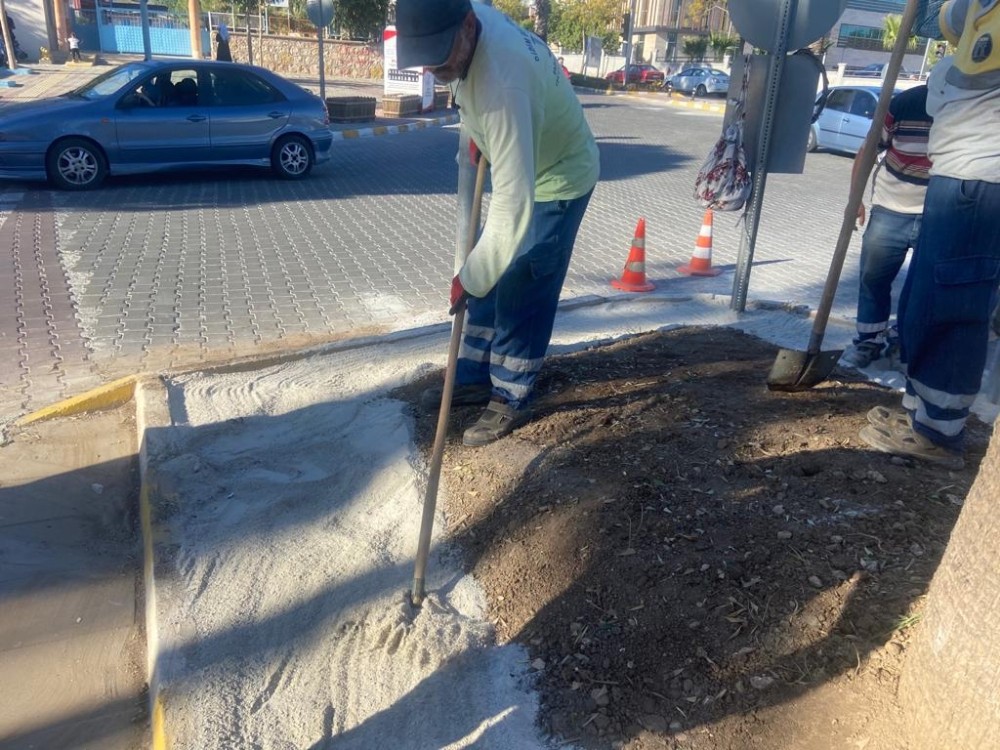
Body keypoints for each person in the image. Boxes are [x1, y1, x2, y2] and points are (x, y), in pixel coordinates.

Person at [396, 0, 600, 446]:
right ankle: (470, 377)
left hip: (560, 176)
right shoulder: (470, 29)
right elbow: (472, 100)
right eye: (425, 60)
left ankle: (510, 392)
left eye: (440, 56)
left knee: (522, 281)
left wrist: (470, 274)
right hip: (526, 156)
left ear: (467, 26)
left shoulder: (505, 85)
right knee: (489, 275)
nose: (433, 68)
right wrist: (476, 135)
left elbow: (514, 199)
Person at [859, 0, 1000, 469]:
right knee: (923, 300)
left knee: (952, 306)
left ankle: (940, 433)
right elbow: (938, 20)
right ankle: (922, 416)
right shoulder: (982, 11)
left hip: (981, 180)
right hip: (958, 177)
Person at [841, 85, 932, 368]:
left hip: (938, 214)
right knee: (873, 277)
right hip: (890, 207)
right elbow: (868, 151)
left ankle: (902, 341)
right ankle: (869, 341)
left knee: (923, 288)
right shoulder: (905, 104)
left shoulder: (965, 109)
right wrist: (855, 199)